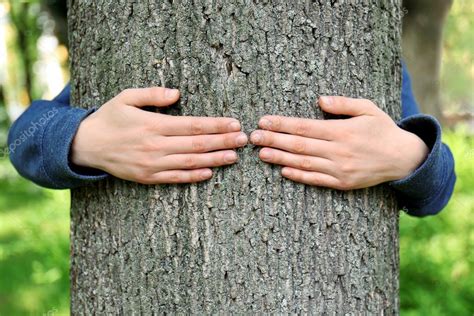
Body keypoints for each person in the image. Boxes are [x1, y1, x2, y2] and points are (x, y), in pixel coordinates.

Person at [7, 64, 456, 217]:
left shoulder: (369, 43)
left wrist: (407, 153)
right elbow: (23, 137)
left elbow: (438, 188)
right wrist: (82, 139)